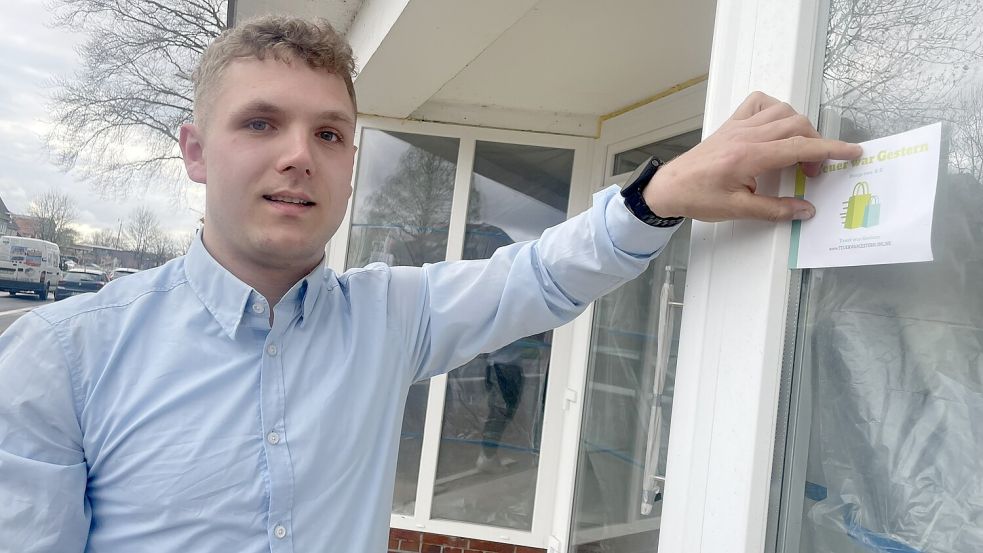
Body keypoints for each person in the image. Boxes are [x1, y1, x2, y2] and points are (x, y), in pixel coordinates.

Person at [0, 15, 862, 553]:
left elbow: (538, 276)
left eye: (329, 134)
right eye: (260, 122)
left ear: (349, 160)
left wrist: (659, 193)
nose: (299, 153)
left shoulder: (387, 316)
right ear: (194, 150)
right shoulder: (62, 356)